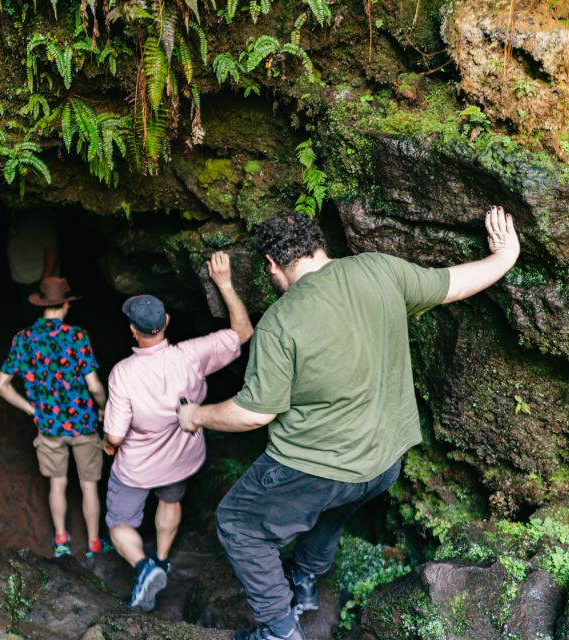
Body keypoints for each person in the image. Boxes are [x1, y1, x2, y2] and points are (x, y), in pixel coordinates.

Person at [178, 208, 521, 640]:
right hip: (383, 462)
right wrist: (505, 257)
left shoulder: (281, 321)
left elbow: (255, 412)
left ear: (271, 263)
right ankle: (303, 584)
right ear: (319, 244)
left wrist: (195, 415)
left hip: (314, 468)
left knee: (239, 524)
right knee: (329, 515)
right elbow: (453, 283)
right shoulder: (379, 269)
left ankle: (279, 629)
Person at [102, 251, 254, 612]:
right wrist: (225, 284)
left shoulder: (123, 374)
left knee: (119, 523)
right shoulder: (192, 355)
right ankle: (164, 558)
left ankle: (145, 567)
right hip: (182, 458)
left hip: (137, 466)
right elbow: (243, 332)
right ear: (167, 321)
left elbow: (116, 436)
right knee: (170, 501)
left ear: (133, 331)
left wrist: (108, 447)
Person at [0, 276, 110, 559]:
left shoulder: (24, 339)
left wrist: (33, 410)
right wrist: (104, 407)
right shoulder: (77, 336)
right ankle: (94, 544)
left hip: (48, 426)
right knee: (89, 485)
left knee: (57, 484)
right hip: (83, 423)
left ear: (43, 306)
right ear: (66, 304)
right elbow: (94, 385)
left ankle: (60, 542)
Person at [7, 210, 59, 324]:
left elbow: (52, 249)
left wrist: (45, 280)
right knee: (31, 323)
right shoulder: (16, 216)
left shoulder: (39, 217)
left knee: (49, 324)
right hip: (24, 281)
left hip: (41, 281)